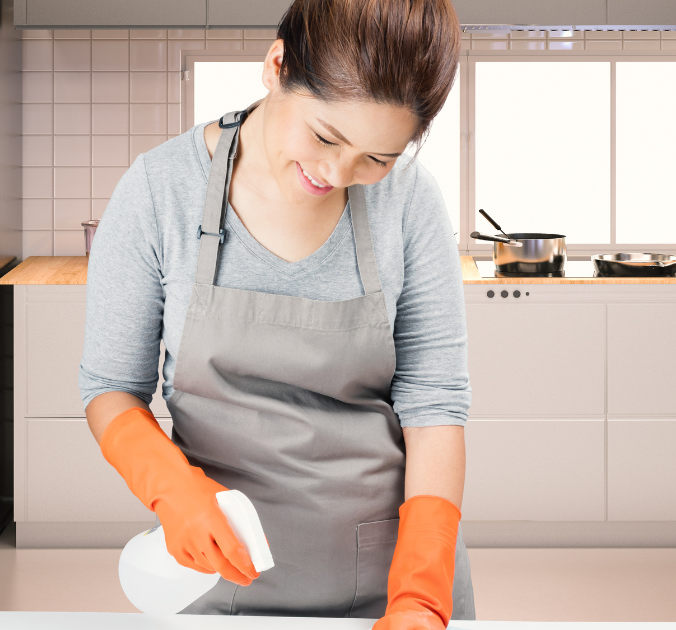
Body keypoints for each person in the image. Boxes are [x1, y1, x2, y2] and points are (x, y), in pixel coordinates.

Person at [78, 0, 471, 626]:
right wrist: (171, 487)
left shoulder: (411, 203)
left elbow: (434, 406)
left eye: (378, 158)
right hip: (214, 581)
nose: (338, 172)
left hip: (391, 582)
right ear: (276, 64)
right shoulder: (159, 191)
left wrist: (421, 596)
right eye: (324, 136)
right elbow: (110, 389)